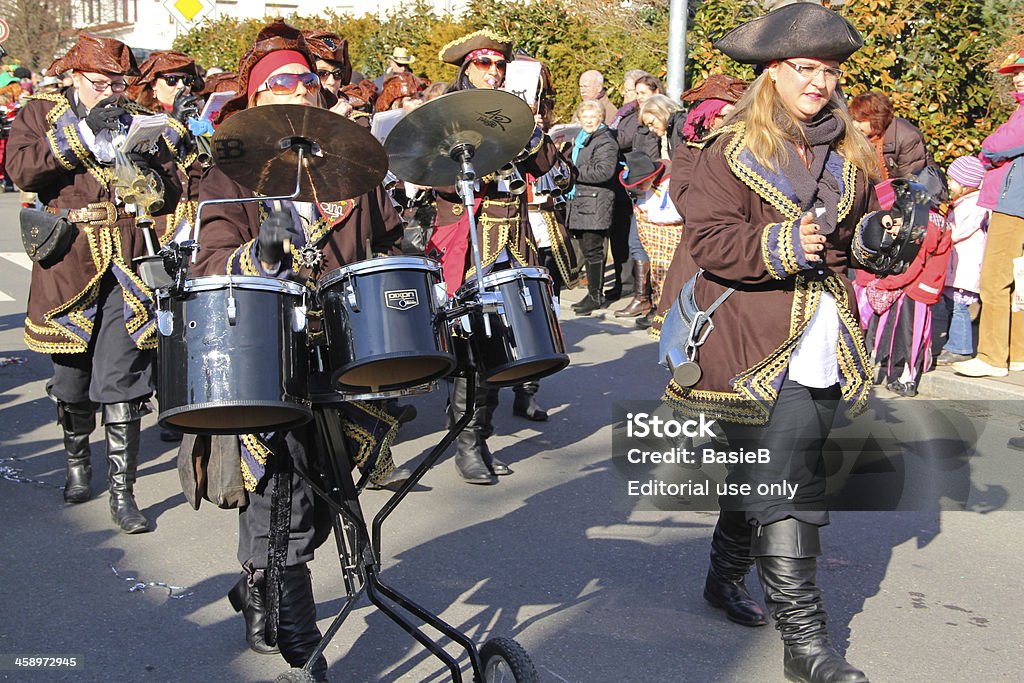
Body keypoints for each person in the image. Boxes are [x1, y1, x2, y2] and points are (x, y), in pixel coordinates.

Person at [663, 5, 914, 681]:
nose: (818, 82)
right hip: (750, 340)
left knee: (765, 472)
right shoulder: (729, 149)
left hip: (826, 339)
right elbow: (708, 240)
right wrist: (780, 242)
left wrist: (880, 246)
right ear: (772, 73)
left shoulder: (851, 150)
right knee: (790, 484)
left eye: (829, 71)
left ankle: (722, 577)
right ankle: (807, 647)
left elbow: (852, 239)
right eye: (805, 68)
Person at [195, 20, 405, 679]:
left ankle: (257, 579)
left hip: (343, 351)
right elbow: (209, 260)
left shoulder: (354, 166)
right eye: (281, 85)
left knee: (329, 492)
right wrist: (252, 253)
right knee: (278, 489)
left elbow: (386, 246)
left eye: (307, 84)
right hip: (268, 353)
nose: (300, 93)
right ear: (256, 101)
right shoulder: (232, 174)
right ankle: (294, 623)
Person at [7, 33, 183, 534]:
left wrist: (150, 171)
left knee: (123, 381)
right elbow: (20, 169)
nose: (111, 92)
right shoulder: (41, 112)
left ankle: (124, 495)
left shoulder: (135, 116)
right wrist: (82, 132)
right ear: (76, 77)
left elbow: (170, 186)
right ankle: (78, 462)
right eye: (101, 82)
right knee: (72, 380)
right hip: (69, 260)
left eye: (118, 83)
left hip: (127, 262)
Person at [428, 29, 563, 482]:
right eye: (485, 63)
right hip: (469, 240)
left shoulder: (514, 110)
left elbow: (547, 169)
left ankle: (482, 428)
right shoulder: (449, 114)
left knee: (508, 338)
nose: (494, 71)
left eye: (500, 64)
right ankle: (468, 441)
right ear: (467, 68)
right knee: (469, 345)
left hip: (515, 237)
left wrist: (532, 130)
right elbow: (438, 179)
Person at [952, 51, 1024, 378]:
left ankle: (992, 356)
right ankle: (1016, 352)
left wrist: (988, 150)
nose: (1017, 79)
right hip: (1015, 200)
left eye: (1022, 72)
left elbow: (1001, 143)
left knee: (994, 277)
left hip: (1013, 202)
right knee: (1018, 278)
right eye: (1015, 74)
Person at [863, 170, 952, 397]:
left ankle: (907, 378)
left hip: (917, 289)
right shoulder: (939, 221)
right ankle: (903, 375)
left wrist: (888, 283)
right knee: (915, 332)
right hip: (924, 288)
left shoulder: (928, 225)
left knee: (910, 334)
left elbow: (914, 263)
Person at [617, 150, 682, 332]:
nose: (639, 188)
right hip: (652, 236)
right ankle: (654, 307)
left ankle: (668, 315)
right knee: (656, 274)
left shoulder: (670, 182)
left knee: (669, 276)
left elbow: (676, 213)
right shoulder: (647, 187)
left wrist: (650, 215)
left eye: (641, 183)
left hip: (669, 234)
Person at [565, 99, 619, 316]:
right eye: (584, 117)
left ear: (601, 119)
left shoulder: (605, 141)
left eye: (592, 117)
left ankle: (595, 296)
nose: (588, 121)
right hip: (582, 202)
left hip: (596, 202)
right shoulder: (582, 139)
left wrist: (573, 172)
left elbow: (604, 172)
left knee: (594, 251)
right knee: (587, 250)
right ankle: (592, 293)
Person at [934, 155, 988, 365]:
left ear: (965, 185)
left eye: (953, 181)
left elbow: (955, 232)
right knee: (952, 306)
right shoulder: (962, 203)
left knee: (959, 307)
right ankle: (953, 342)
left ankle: (961, 347)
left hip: (964, 269)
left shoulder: (973, 206)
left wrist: (940, 229)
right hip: (956, 269)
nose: (950, 184)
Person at [848, 90, 935, 180]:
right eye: (854, 119)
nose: (855, 125)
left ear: (876, 118)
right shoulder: (861, 137)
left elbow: (910, 180)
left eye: (860, 121)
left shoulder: (907, 137)